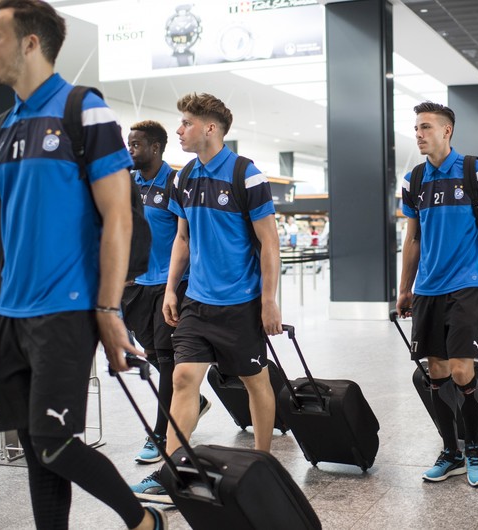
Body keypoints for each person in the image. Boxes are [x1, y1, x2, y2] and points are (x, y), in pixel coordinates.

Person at [0, 2, 165, 528]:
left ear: (30, 43)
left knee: (55, 443)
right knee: (38, 451)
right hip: (12, 313)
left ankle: (144, 521)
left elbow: (117, 220)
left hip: (67, 310)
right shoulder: (0, 130)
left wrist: (108, 308)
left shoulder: (85, 111)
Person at [131, 92, 283, 503]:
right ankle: (174, 471)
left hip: (240, 303)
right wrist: (170, 290)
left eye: (186, 123)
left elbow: (269, 243)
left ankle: (263, 462)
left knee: (255, 382)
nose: (179, 130)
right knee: (181, 378)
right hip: (196, 300)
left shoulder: (246, 175)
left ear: (210, 128)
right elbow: (182, 238)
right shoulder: (183, 177)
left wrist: (269, 300)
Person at [397, 103, 478, 487]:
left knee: (461, 368)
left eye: (426, 127)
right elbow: (413, 238)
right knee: (435, 372)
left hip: (468, 284)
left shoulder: (476, 171)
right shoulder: (414, 179)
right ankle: (450, 450)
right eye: (416, 127)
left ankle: (473, 449)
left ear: (447, 131)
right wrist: (405, 288)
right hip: (428, 288)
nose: (419, 134)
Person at [122, 120, 210, 465]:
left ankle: (161, 432)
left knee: (170, 362)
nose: (131, 150)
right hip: (136, 288)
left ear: (155, 148)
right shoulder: (127, 183)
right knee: (157, 360)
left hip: (170, 286)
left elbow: (187, 235)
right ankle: (194, 403)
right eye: (128, 144)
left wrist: (179, 284)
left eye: (136, 145)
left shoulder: (175, 182)